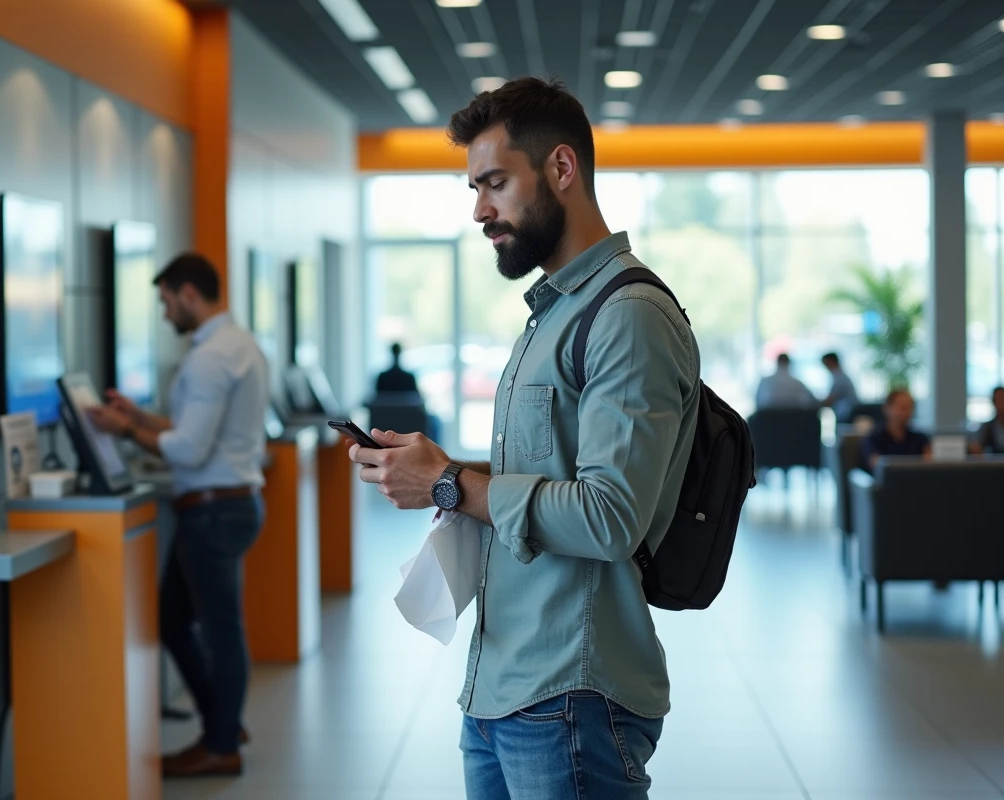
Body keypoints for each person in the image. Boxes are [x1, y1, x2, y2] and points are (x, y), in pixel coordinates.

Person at [345, 77, 699, 799]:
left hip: (572, 695)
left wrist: (450, 484)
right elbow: (546, 468)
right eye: (475, 188)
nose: (480, 210)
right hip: (501, 687)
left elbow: (608, 516)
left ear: (561, 168)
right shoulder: (554, 313)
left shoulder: (626, 314)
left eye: (496, 183)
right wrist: (437, 468)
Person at [87, 253, 268, 777]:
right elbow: (195, 430)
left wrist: (125, 431)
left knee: (219, 629)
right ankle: (223, 722)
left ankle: (220, 743)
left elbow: (188, 449)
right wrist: (139, 417)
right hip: (228, 504)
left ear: (189, 293)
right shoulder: (236, 344)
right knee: (173, 618)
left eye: (167, 301)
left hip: (213, 512)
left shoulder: (211, 356)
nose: (165, 313)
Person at [860, 388, 930, 472]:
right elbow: (877, 467)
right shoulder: (873, 438)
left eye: (910, 408)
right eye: (902, 408)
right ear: (887, 408)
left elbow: (929, 466)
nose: (907, 412)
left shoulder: (920, 438)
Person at [820, 352, 860, 421]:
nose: (825, 367)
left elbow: (830, 400)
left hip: (847, 413)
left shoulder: (840, 378)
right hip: (847, 411)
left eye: (825, 363)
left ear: (831, 362)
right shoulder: (840, 376)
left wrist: (816, 404)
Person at [969, 387, 1004, 455]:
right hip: (994, 462)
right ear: (994, 403)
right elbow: (976, 447)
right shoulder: (987, 428)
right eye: (999, 400)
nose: (1002, 404)